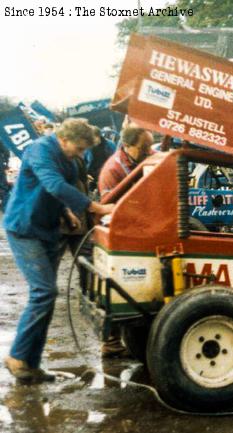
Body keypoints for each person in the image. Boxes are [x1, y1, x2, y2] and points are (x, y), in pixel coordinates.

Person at [3, 118, 114, 383]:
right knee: (44, 292)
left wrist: (65, 212)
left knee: (46, 297)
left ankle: (31, 364)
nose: (81, 154)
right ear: (63, 139)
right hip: (25, 228)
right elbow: (53, 184)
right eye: (78, 148)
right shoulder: (39, 150)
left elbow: (51, 191)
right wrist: (93, 207)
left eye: (84, 150)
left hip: (47, 228)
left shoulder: (66, 156)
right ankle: (17, 356)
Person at [98, 126, 153, 196]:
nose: (149, 152)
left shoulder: (150, 154)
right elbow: (110, 203)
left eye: (150, 146)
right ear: (126, 146)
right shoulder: (111, 171)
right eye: (143, 148)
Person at [85, 126, 116, 193]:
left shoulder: (110, 145)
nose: (92, 141)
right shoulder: (87, 147)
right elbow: (84, 162)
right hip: (93, 177)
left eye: (93, 138)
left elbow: (115, 159)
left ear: (98, 135)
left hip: (108, 174)